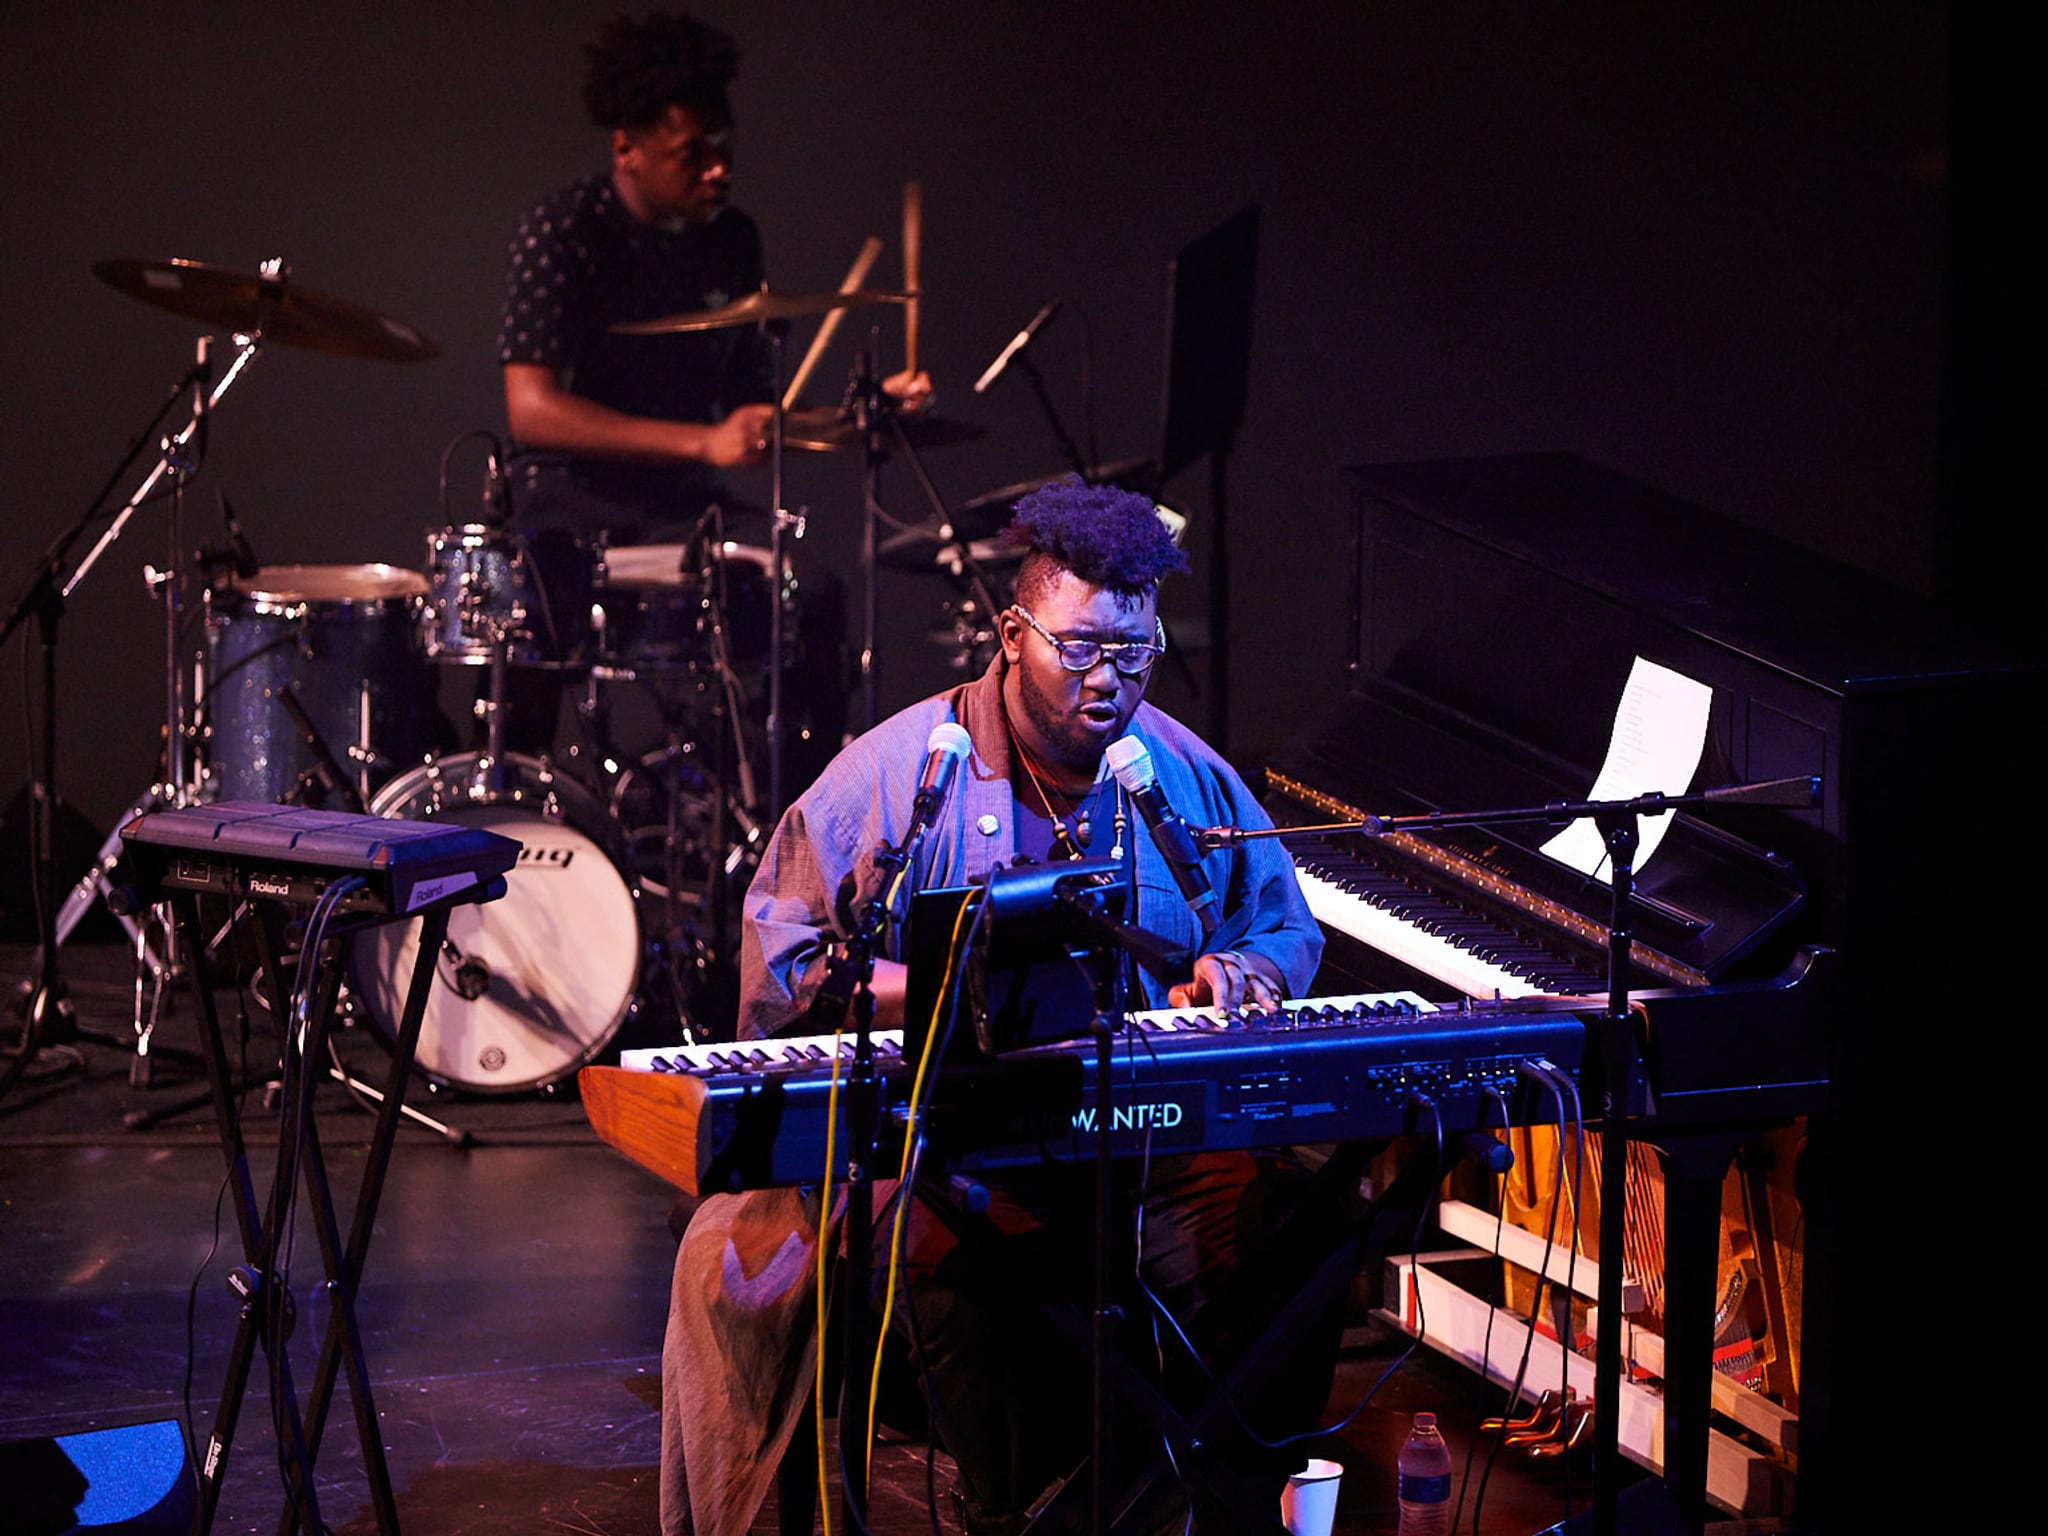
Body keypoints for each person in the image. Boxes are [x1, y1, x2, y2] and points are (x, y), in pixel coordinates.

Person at [660, 476, 1337, 1535]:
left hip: (1134, 1147)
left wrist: (1232, 977)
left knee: (1295, 1234)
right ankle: (1006, 1512)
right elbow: (779, 956)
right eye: (1079, 648)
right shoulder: (897, 774)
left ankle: (1200, 1498)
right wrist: (914, 994)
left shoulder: (1182, 777)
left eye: (1134, 653)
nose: (1108, 679)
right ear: (1011, 632)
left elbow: (1280, 927)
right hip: (938, 1152)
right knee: (955, 1277)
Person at [491, 11, 926, 758]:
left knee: (810, 592)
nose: (718, 170)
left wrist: (867, 412)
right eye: (692, 155)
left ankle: (800, 812)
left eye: (722, 151)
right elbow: (531, 411)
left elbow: (758, 414)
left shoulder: (732, 240)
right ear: (625, 148)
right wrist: (704, 442)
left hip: (683, 512)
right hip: (566, 508)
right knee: (521, 668)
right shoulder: (563, 229)